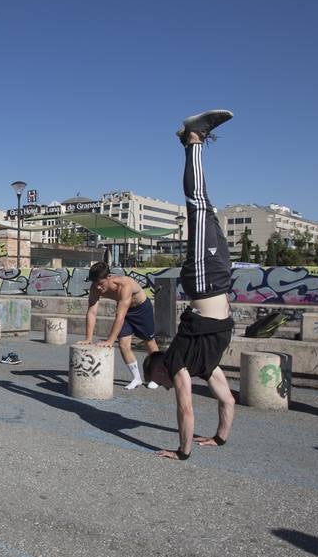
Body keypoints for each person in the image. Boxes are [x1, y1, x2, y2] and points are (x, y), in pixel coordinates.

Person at [143, 110, 238, 461]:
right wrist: (220, 438)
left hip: (203, 280)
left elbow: (185, 409)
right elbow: (228, 401)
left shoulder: (178, 363)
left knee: (198, 206)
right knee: (207, 209)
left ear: (159, 366)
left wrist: (182, 451)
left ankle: (194, 140)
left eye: (157, 379)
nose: (162, 385)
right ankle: (190, 142)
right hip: (219, 279)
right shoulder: (205, 366)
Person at [84, 262, 160, 389]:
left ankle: (157, 376)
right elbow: (92, 312)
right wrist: (88, 338)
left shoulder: (124, 285)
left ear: (108, 277)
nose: (98, 287)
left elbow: (120, 317)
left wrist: (110, 341)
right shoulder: (95, 288)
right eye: (95, 283)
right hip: (126, 311)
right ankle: (137, 378)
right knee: (123, 344)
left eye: (101, 283)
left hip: (141, 309)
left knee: (149, 342)